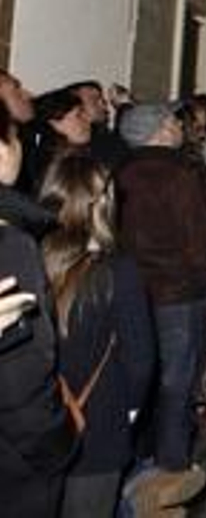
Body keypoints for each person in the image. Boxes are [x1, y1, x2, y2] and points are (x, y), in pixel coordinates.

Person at [38, 153, 163, 516]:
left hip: (29, 429)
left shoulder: (21, 255)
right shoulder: (117, 272)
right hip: (97, 423)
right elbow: (141, 361)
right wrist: (129, 412)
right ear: (104, 202)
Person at [115, 101, 206, 499]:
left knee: (142, 371)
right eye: (175, 121)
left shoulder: (120, 170)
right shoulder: (179, 172)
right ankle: (172, 463)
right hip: (180, 291)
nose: (180, 127)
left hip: (134, 288)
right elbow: (197, 239)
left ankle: (141, 454)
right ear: (160, 129)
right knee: (179, 377)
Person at [0, 92, 77, 516]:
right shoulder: (9, 242)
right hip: (15, 463)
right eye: (12, 133)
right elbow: (22, 370)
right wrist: (55, 442)